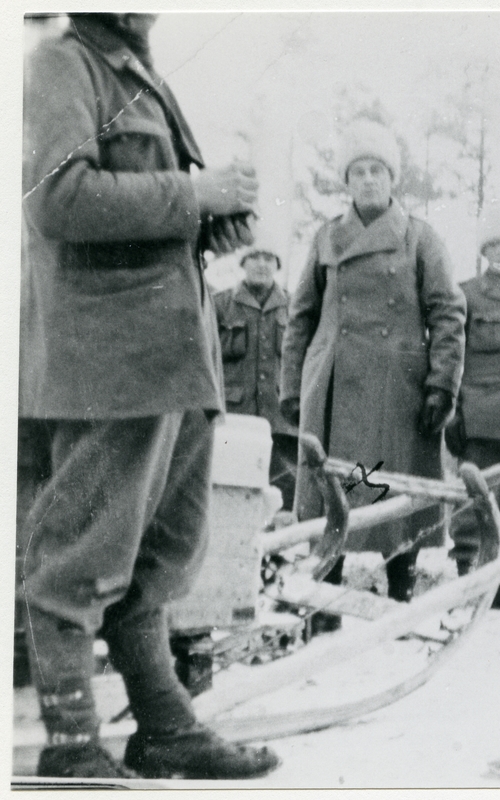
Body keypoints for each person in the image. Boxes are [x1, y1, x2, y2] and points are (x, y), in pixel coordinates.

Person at [20, 13, 279, 778]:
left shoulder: (135, 71)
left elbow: (147, 209)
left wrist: (209, 222)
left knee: (161, 555)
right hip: (110, 360)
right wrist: (195, 192)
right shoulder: (61, 63)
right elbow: (57, 197)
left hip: (173, 357)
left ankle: (165, 726)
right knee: (81, 553)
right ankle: (72, 745)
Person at [280, 118, 466, 606]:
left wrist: (442, 385)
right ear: (346, 180)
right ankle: (325, 600)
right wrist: (292, 386)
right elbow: (301, 317)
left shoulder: (419, 238)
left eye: (377, 170)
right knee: (331, 491)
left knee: (395, 494)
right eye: (358, 171)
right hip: (332, 386)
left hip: (397, 390)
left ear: (392, 178)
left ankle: (401, 592)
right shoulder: (326, 238)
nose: (367, 180)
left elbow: (448, 313)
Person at [445, 209, 500, 605]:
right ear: (484, 251)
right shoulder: (467, 294)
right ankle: (469, 577)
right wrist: (454, 411)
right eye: (494, 245)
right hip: (480, 417)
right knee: (474, 503)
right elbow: (451, 355)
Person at [213, 249, 299, 510]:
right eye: (254, 257)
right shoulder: (220, 304)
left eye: (269, 258)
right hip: (235, 420)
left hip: (281, 420)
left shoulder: (295, 306)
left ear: (277, 264)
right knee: (232, 491)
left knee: (285, 496)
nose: (262, 264)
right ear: (243, 262)